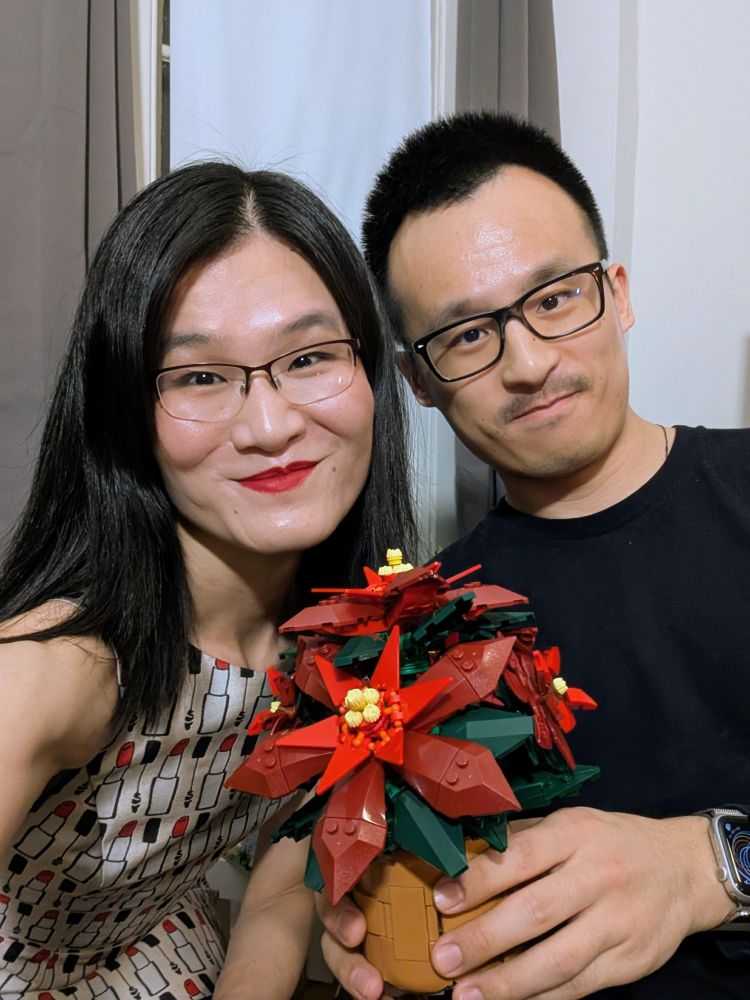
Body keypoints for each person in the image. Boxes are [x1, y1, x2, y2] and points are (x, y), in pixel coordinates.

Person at [317, 112, 750, 999]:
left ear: (617, 294)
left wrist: (712, 863)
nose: (526, 361)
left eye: (554, 299)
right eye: (468, 335)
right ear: (420, 383)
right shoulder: (424, 631)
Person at [0, 160, 415, 998]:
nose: (270, 425)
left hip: (161, 962)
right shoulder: (58, 667)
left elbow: (275, 896)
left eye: (308, 358)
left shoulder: (349, 644)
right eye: (199, 376)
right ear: (127, 415)